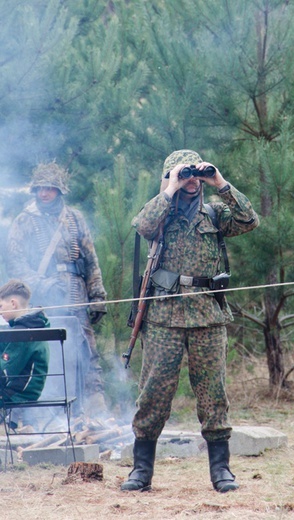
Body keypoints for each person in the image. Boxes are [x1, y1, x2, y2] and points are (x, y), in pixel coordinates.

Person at [121, 149, 259, 493]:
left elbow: (248, 220)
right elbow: (143, 226)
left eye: (195, 175)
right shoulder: (161, 212)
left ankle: (221, 470)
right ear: (170, 178)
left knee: (214, 394)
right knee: (153, 394)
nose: (192, 180)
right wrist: (169, 188)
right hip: (164, 316)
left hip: (207, 315)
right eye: (185, 175)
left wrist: (220, 182)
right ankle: (141, 471)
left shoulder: (214, 213)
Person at [6, 162, 108, 416]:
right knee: (43, 354)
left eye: (49, 188)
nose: (44, 194)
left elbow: (91, 260)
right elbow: (15, 262)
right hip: (41, 298)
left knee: (87, 354)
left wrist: (97, 296)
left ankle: (95, 412)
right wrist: (43, 283)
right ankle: (41, 413)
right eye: (40, 188)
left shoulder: (75, 218)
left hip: (75, 294)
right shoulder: (24, 220)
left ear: (59, 190)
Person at [0, 279, 50, 417]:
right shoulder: (30, 326)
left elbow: (5, 370)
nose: (0, 312)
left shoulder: (23, 333)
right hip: (22, 389)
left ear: (13, 304)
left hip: (18, 394)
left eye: (1, 306)